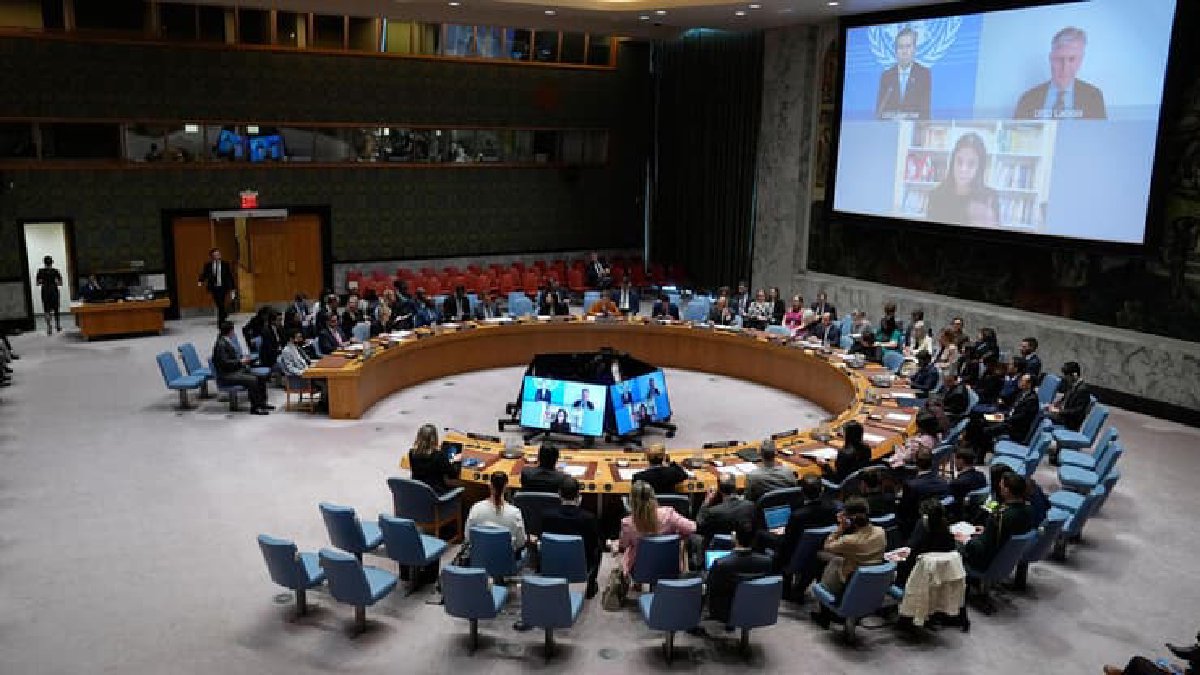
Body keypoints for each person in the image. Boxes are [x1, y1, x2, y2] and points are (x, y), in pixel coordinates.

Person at [810, 498, 886, 627]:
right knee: (830, 559)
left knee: (825, 557)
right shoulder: (881, 532)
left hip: (851, 578)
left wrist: (841, 527)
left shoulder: (849, 541)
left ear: (850, 519)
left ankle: (825, 613)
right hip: (871, 576)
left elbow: (827, 545)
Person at [1014, 27, 1106, 120]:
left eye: (1072, 59)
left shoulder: (1094, 98)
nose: (1065, 68)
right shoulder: (1027, 99)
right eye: (1059, 59)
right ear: (1050, 58)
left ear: (1080, 61)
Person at [617, 481, 696, 577]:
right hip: (670, 566)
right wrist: (679, 536)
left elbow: (623, 545)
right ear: (653, 497)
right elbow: (692, 528)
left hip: (638, 569)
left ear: (631, 501)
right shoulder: (669, 515)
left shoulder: (627, 523)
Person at [542, 477, 602, 598]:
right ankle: (590, 585)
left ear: (559, 494)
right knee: (599, 548)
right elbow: (593, 545)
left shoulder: (547, 516)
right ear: (578, 495)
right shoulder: (588, 518)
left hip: (553, 561)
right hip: (581, 564)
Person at [963, 473, 1034, 570]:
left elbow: (982, 549)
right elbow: (1005, 534)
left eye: (1001, 486)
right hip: (1008, 559)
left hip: (986, 562)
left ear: (1007, 490)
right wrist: (987, 530)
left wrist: (966, 540)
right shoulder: (1029, 510)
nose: (999, 488)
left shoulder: (1000, 516)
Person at [926, 132, 999, 227]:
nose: (963, 169)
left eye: (971, 164)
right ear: (952, 162)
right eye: (959, 161)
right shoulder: (936, 195)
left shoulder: (990, 198)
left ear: (979, 168)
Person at [706, 523, 773, 624]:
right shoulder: (767, 561)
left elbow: (711, 589)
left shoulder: (720, 563)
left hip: (725, 611)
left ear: (735, 538)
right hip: (758, 608)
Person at [774, 476, 839, 575]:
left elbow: (787, 543)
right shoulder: (834, 508)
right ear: (822, 490)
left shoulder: (797, 516)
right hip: (822, 554)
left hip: (797, 559)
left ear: (802, 492)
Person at [211, 320, 270, 415]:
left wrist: (243, 359)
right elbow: (224, 363)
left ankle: (262, 403)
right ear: (230, 331)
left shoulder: (227, 340)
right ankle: (255, 407)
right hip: (227, 375)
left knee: (261, 377)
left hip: (236, 370)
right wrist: (240, 362)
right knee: (252, 380)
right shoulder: (221, 344)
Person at [894, 497, 957, 586]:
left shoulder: (922, 527)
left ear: (925, 516)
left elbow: (911, 548)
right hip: (941, 573)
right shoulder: (945, 526)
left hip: (919, 574)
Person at [876, 26, 931, 120]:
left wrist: (905, 116)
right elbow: (880, 112)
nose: (904, 51)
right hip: (890, 126)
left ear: (914, 49)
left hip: (914, 126)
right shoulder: (887, 76)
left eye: (908, 46)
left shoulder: (923, 74)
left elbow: (925, 113)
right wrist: (892, 116)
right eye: (901, 47)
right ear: (895, 51)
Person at [466, 472, 527, 553]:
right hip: (506, 559)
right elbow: (520, 543)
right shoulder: (515, 513)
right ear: (506, 487)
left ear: (490, 485)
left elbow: (468, 538)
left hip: (479, 557)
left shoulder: (476, 508)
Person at [896, 449, 949, 534]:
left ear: (916, 463)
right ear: (932, 463)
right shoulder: (943, 482)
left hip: (915, 525)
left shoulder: (911, 486)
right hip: (939, 522)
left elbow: (904, 510)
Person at [695, 475, 755, 549]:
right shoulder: (750, 506)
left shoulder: (713, 512)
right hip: (746, 547)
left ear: (719, 490)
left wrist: (706, 501)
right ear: (736, 488)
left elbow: (699, 525)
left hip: (718, 548)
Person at [406, 424, 460, 495]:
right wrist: (453, 460)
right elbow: (453, 475)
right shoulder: (439, 455)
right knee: (461, 487)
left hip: (417, 492)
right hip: (436, 494)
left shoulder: (412, 453)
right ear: (435, 439)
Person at [197, 248, 236, 325]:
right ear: (212, 256)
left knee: (221, 303)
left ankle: (221, 320)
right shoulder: (208, 265)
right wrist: (200, 281)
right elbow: (205, 274)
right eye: (215, 255)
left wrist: (232, 288)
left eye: (218, 254)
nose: (217, 256)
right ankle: (224, 315)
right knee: (218, 303)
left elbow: (229, 276)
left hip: (223, 287)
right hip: (214, 287)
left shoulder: (225, 264)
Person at [1048, 361, 1090, 431]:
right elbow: (1066, 398)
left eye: (1066, 376)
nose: (1065, 378)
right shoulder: (1073, 384)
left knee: (1042, 416)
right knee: (1043, 411)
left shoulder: (1082, 390)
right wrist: (1055, 404)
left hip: (1069, 422)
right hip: (1063, 416)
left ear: (1074, 375)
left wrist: (1059, 411)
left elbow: (1077, 411)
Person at [948, 449, 987, 519]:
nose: (954, 463)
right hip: (978, 513)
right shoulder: (982, 475)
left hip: (959, 516)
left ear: (961, 461)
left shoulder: (957, 483)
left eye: (955, 459)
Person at [35, 255, 63, 335]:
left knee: (46, 309)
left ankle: (49, 327)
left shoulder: (40, 271)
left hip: (45, 291)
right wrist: (56, 282)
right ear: (51, 263)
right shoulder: (55, 271)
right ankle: (57, 325)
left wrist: (42, 281)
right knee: (56, 308)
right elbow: (60, 283)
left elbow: (38, 283)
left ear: (44, 263)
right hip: (53, 290)